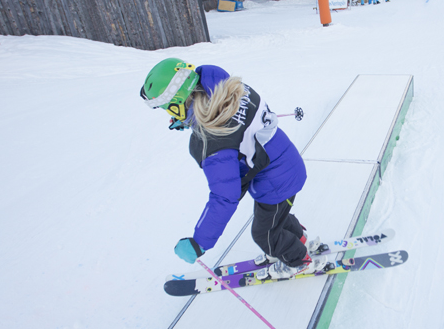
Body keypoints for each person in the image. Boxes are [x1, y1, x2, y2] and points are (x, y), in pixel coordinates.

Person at [140, 59, 327, 280]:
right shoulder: (222, 86)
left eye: (167, 109)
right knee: (274, 218)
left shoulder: (214, 141)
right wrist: (192, 118)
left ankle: (299, 261)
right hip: (285, 164)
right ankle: (298, 242)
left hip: (277, 181)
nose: (170, 116)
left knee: (264, 234)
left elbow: (224, 195)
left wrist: (199, 243)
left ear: (177, 104)